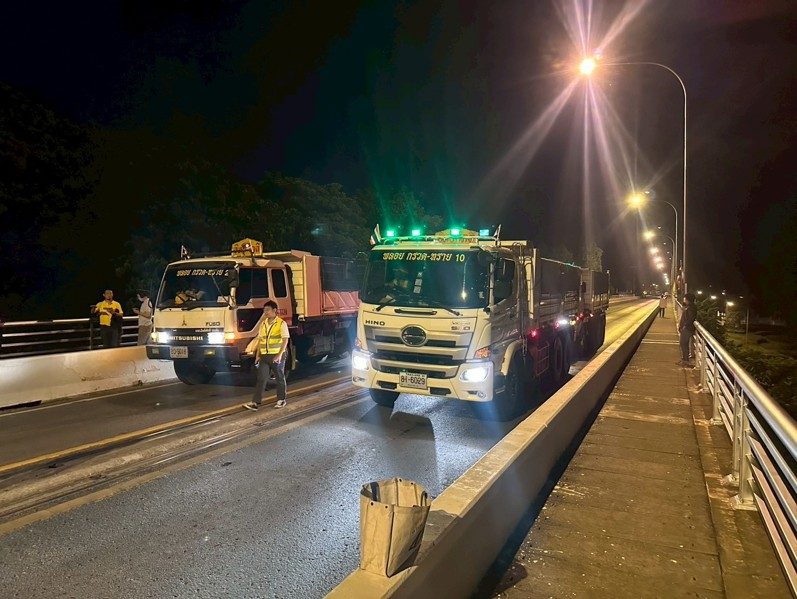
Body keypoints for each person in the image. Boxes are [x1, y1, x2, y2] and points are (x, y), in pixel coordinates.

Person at [244, 300, 290, 410]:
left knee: (279, 377)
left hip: (276, 355)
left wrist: (279, 355)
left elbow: (285, 340)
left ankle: (281, 400)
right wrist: (258, 355)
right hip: (264, 355)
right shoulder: (263, 324)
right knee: (261, 378)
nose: (265, 312)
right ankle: (255, 403)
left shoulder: (281, 323)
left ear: (274, 310)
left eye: (267, 310)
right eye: (264, 310)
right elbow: (260, 340)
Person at [677, 293, 697, 367]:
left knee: (683, 344)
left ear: (688, 299)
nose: (684, 300)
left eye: (685, 298)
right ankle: (685, 359)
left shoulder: (691, 308)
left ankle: (685, 360)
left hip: (687, 329)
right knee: (683, 344)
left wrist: (684, 327)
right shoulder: (689, 307)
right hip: (686, 328)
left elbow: (690, 319)